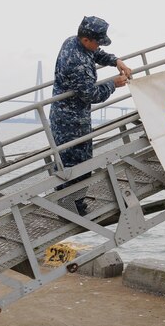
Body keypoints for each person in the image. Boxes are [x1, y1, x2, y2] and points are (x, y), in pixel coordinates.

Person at [50, 16, 132, 215]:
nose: (98, 46)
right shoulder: (75, 62)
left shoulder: (74, 42)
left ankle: (71, 204)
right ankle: (71, 208)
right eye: (97, 42)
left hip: (70, 115)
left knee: (73, 162)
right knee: (77, 164)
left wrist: (116, 61)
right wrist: (114, 84)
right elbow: (91, 94)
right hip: (71, 121)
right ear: (86, 39)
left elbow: (96, 54)